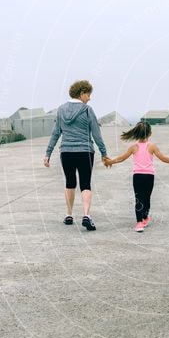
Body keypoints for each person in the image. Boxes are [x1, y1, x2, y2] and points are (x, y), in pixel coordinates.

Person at [43, 80, 110, 230]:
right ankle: (86, 215)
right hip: (85, 151)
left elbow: (55, 133)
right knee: (85, 183)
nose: (89, 98)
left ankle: (69, 214)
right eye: (88, 94)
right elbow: (96, 134)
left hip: (66, 152)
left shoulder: (61, 110)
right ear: (81, 93)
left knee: (70, 182)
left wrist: (48, 153)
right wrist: (104, 153)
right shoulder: (87, 110)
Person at [106, 121, 169, 232]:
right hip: (149, 177)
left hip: (137, 177)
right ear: (150, 133)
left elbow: (121, 158)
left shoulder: (134, 147)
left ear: (136, 133)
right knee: (146, 198)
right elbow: (163, 158)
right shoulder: (152, 147)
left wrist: (111, 161)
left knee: (139, 199)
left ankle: (141, 221)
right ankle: (142, 219)